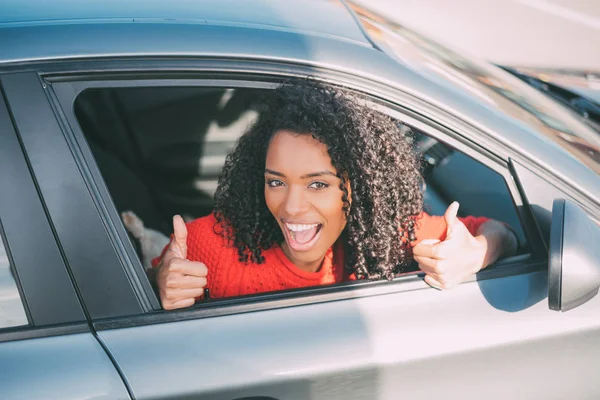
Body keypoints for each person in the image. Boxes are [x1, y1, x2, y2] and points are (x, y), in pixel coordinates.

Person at [150, 80, 518, 310]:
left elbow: (497, 231)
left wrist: (477, 253)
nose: (291, 207)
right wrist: (160, 287)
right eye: (276, 182)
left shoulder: (386, 233)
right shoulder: (207, 246)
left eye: (317, 184)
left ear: (358, 187)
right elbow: (133, 298)